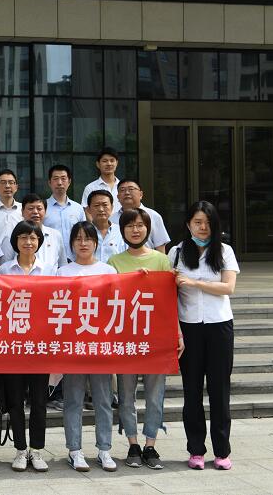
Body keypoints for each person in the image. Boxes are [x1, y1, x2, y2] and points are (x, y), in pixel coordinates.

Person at [107, 208, 182, 470]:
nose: (135, 230)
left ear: (148, 229)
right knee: (126, 395)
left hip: (156, 339)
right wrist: (131, 281)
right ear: (122, 230)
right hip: (126, 338)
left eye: (140, 225)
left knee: (154, 394)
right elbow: (109, 299)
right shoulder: (114, 262)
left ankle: (151, 444)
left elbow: (170, 301)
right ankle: (133, 444)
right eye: (130, 226)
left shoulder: (161, 261)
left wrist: (177, 333)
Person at [169, 201, 239, 471]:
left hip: (219, 326)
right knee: (192, 391)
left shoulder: (224, 251)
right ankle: (196, 450)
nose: (202, 227)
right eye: (197, 222)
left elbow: (228, 287)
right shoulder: (176, 253)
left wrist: (195, 282)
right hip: (189, 328)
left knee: (220, 391)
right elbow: (167, 291)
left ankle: (222, 452)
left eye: (208, 223)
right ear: (188, 224)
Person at [57, 221, 118, 473]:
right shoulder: (62, 272)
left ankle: (104, 449)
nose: (83, 243)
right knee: (73, 400)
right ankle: (74, 450)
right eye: (78, 239)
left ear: (96, 242)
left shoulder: (108, 270)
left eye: (88, 239)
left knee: (103, 400)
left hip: (100, 346)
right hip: (73, 346)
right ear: (72, 243)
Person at [0, 220, 56, 473]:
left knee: (39, 401)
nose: (28, 242)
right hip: (12, 347)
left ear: (39, 242)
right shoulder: (4, 269)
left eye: (33, 238)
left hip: (40, 346)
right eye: (23, 237)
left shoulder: (49, 269)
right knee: (15, 400)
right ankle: (21, 450)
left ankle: (37, 449)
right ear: (15, 241)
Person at [1, 193, 66, 270]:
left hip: (50, 277)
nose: (35, 212)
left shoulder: (55, 235)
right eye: (31, 208)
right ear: (22, 212)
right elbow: (5, 267)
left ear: (45, 212)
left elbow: (63, 265)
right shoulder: (11, 235)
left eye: (39, 208)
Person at [110, 180, 170, 253]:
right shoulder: (112, 219)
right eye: (122, 190)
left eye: (131, 189)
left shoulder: (153, 216)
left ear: (141, 194)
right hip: (118, 259)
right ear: (118, 197)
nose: (127, 192)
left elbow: (160, 246)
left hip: (147, 259)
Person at [43, 164, 86, 258]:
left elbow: (84, 234)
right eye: (55, 179)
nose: (59, 183)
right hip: (51, 260)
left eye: (63, 178)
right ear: (49, 182)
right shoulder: (42, 208)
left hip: (75, 260)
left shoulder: (78, 208)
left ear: (69, 182)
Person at [87, 189, 126, 263]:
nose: (101, 209)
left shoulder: (122, 231)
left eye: (105, 205)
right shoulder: (83, 232)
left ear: (112, 207)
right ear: (88, 209)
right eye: (96, 205)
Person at [81, 148, 120, 215]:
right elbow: (87, 211)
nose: (109, 164)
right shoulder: (90, 188)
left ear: (116, 163)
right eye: (105, 161)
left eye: (112, 160)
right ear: (98, 164)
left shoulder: (123, 187)